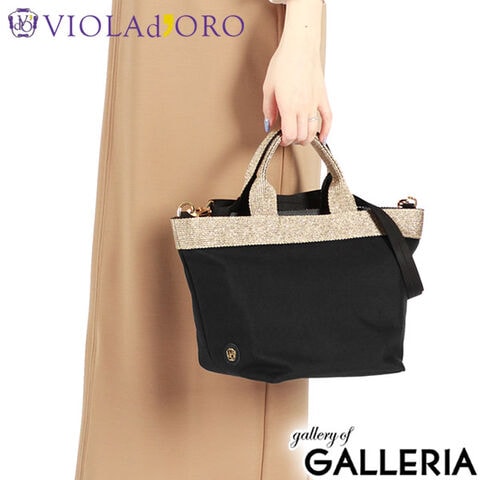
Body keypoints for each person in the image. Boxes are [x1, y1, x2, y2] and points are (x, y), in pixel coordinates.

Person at [74, 0, 332, 479]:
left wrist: (301, 39)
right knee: (141, 296)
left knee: (234, 300)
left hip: (236, 43)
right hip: (152, 33)